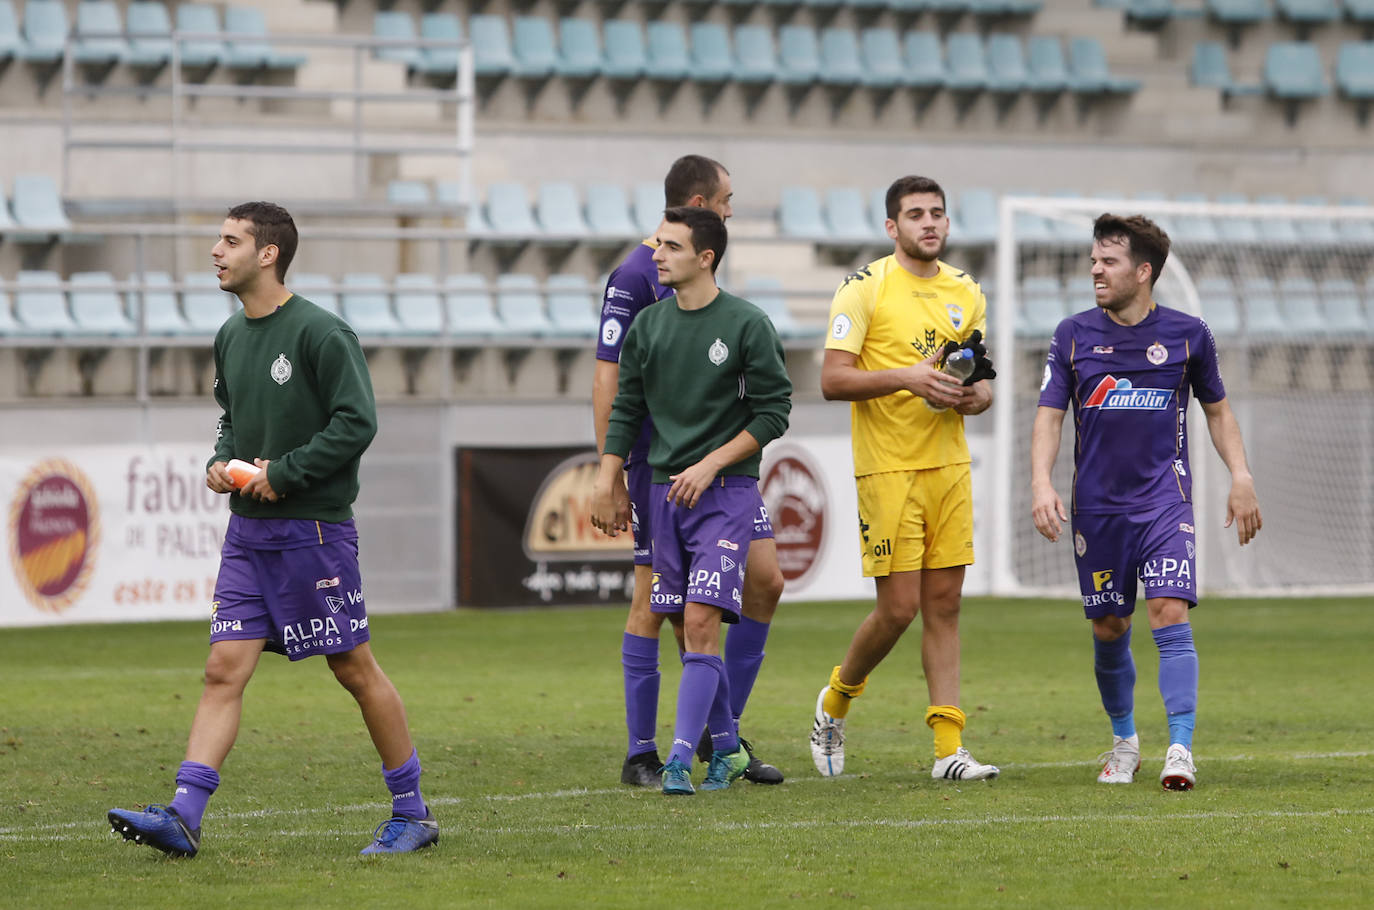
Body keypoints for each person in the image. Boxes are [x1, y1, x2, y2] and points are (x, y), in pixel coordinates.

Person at [107, 202, 438, 857]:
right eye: (218, 239)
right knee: (222, 670)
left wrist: (285, 473)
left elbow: (356, 423)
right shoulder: (231, 334)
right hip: (247, 536)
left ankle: (413, 812)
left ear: (268, 253)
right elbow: (230, 416)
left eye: (230, 241)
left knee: (354, 669)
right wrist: (217, 460)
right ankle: (183, 812)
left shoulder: (320, 332)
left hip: (311, 534)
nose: (215, 251)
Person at [1030, 213, 1261, 791]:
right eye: (1092, 261)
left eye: (1107, 262)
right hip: (1098, 510)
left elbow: (1217, 410)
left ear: (1143, 271)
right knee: (1110, 626)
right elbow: (1049, 415)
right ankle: (1125, 741)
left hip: (1165, 503)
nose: (1095, 271)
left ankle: (1180, 747)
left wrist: (1241, 474)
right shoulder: (1072, 334)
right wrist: (1040, 481)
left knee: (1169, 614)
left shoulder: (1189, 334)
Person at [593, 155, 784, 787]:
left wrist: (713, 460)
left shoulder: (742, 319)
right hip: (659, 470)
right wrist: (611, 472)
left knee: (761, 583)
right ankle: (649, 749)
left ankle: (719, 735)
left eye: (672, 245)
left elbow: (772, 406)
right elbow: (613, 382)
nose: (731, 208)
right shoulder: (634, 281)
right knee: (664, 606)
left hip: (718, 471)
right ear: (702, 205)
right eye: (727, 199)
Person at [809, 175, 1001, 782]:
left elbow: (979, 376)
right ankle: (836, 700)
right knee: (896, 612)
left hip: (948, 464)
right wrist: (907, 377)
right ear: (892, 227)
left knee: (944, 605)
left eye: (938, 213)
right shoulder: (863, 289)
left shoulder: (966, 292)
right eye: (915, 214)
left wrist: (976, 398)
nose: (929, 223)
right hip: (888, 467)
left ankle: (949, 749)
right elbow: (832, 380)